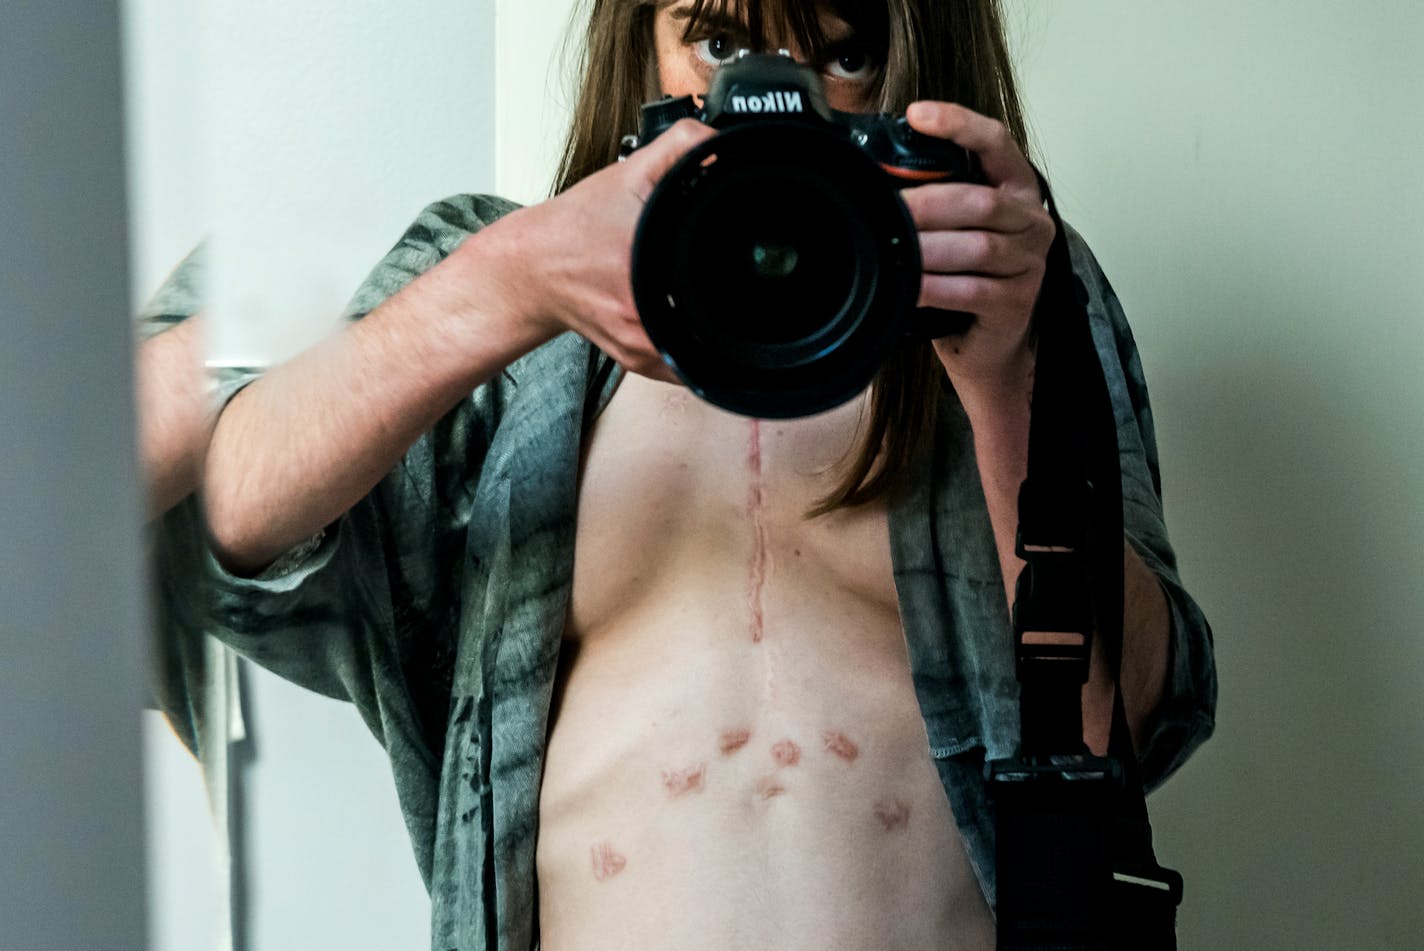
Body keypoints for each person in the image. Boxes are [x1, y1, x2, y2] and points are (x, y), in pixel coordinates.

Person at [159, 0, 1217, 947]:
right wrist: (513, 279)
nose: (778, 105)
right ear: (635, 41)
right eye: (714, 41)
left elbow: (1122, 728)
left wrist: (1004, 382)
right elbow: (236, 514)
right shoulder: (502, 295)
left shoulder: (1014, 290)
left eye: (842, 55)